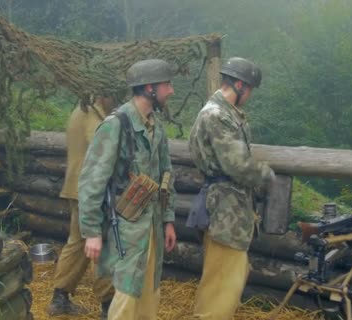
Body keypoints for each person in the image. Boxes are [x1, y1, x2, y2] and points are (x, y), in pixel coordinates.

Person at [78, 59, 177, 320]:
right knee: (126, 298)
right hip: (127, 230)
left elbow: (166, 174)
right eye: (166, 84)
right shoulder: (116, 125)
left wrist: (168, 220)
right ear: (148, 88)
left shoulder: (156, 126)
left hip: (152, 226)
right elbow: (92, 180)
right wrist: (91, 232)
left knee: (148, 296)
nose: (171, 90)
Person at [189, 57, 276, 320]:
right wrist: (267, 175)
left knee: (227, 278)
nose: (248, 96)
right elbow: (237, 164)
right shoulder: (217, 115)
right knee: (222, 283)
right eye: (249, 89)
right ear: (239, 85)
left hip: (231, 207)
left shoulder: (225, 112)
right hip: (226, 209)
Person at [47, 96, 116, 318]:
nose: (115, 100)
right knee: (102, 244)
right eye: (112, 95)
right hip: (89, 191)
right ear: (103, 94)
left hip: (78, 187)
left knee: (77, 243)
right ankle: (108, 304)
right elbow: (102, 146)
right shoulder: (92, 114)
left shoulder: (81, 109)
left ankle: (60, 297)